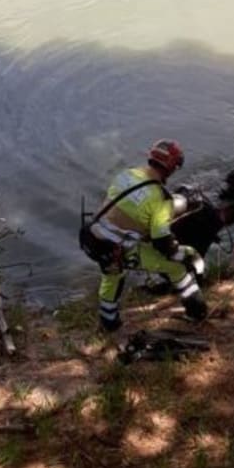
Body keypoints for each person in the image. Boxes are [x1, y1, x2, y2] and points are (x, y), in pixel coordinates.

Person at [87, 140, 208, 331]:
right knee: (176, 268)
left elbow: (126, 212)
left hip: (95, 239)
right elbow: (163, 243)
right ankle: (197, 311)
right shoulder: (160, 198)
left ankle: (108, 323)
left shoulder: (126, 174)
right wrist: (187, 254)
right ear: (171, 167)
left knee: (112, 276)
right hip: (122, 248)